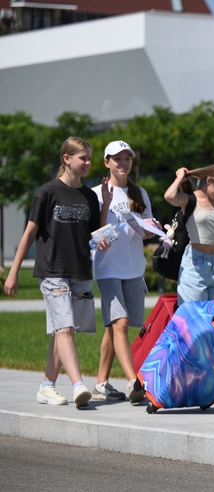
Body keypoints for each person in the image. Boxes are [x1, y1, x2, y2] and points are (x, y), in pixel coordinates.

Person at [3, 137, 113, 409]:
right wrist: (13, 272)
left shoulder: (90, 196)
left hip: (79, 269)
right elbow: (29, 233)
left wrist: (106, 206)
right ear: (66, 159)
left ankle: (47, 386)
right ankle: (78, 386)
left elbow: (92, 235)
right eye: (82, 158)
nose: (88, 162)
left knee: (63, 330)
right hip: (52, 270)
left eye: (89, 158)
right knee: (64, 327)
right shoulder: (47, 192)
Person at [91, 140, 154, 404]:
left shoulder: (139, 193)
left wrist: (151, 230)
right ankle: (133, 381)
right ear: (107, 163)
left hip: (133, 268)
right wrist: (97, 239)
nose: (123, 163)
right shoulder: (95, 194)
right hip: (107, 269)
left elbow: (148, 230)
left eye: (127, 158)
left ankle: (101, 383)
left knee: (113, 327)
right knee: (121, 323)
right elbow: (91, 234)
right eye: (117, 159)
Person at [163, 163, 214, 305]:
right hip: (195, 264)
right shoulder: (190, 199)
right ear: (209, 181)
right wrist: (179, 179)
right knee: (194, 316)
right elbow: (169, 196)